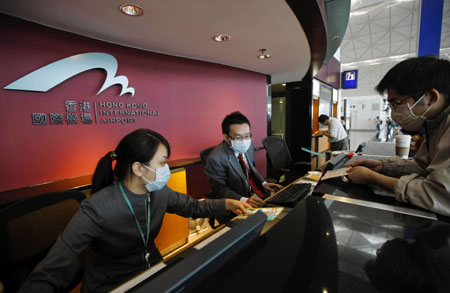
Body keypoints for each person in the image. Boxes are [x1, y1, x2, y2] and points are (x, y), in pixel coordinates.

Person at [19, 129, 249, 293]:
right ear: (138, 168)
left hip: (154, 273)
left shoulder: (159, 192)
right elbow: (53, 268)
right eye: (162, 163)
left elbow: (193, 206)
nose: (166, 169)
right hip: (113, 285)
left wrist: (227, 204)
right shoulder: (97, 207)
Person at [346, 55, 450, 216]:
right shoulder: (435, 124)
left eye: (397, 103)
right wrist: (382, 166)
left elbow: (438, 195)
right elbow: (423, 166)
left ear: (431, 97)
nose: (394, 114)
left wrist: (374, 178)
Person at [204, 111, 283, 209]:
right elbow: (220, 191)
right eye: (238, 137)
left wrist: (264, 183)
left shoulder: (248, 146)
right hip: (237, 205)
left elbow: (251, 169)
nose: (244, 141)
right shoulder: (215, 159)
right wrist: (244, 200)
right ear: (226, 137)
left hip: (256, 195)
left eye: (247, 136)